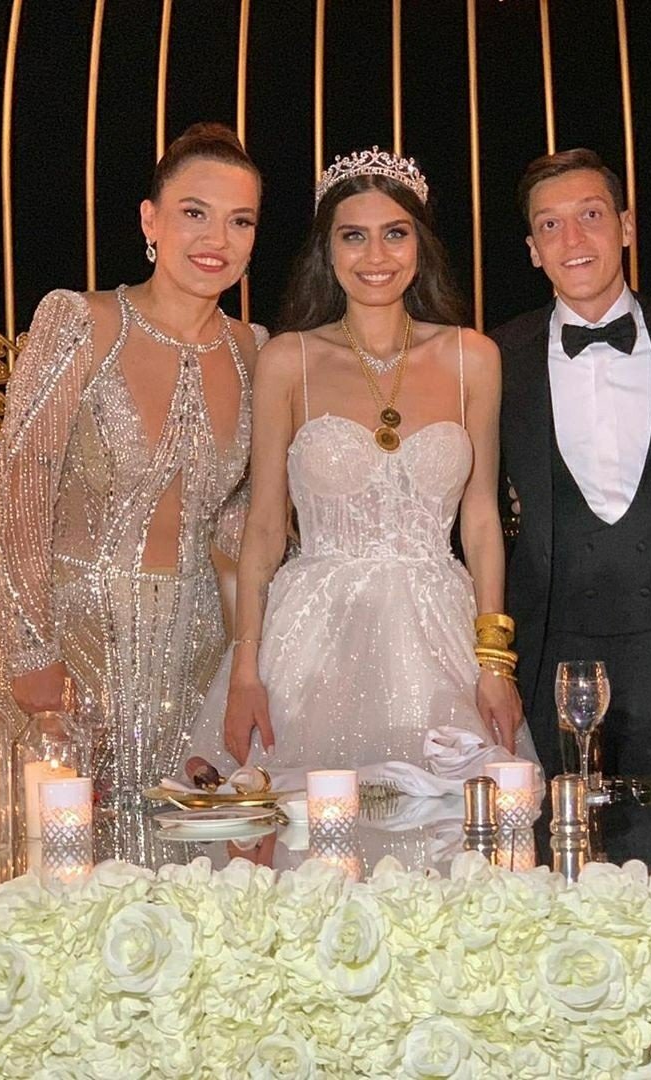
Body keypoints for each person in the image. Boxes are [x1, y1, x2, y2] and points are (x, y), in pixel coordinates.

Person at [194, 147, 535, 782]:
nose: (376, 256)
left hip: (440, 635)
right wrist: (245, 669)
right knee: (299, 821)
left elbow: (482, 522)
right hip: (310, 638)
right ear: (327, 251)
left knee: (454, 818)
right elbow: (264, 528)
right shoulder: (289, 360)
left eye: (395, 234)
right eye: (353, 236)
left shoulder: (473, 358)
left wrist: (495, 663)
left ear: (420, 246)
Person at [0, 123, 266, 804]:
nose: (217, 239)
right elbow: (20, 495)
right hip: (71, 645)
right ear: (150, 220)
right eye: (194, 213)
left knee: (190, 854)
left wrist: (245, 664)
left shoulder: (255, 350)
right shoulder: (79, 322)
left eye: (240, 221)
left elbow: (243, 530)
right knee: (57, 853)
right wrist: (32, 649)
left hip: (197, 661)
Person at [492, 149, 651, 781]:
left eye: (591, 215)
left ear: (626, 226)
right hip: (549, 660)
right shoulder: (496, 357)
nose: (572, 239)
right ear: (533, 250)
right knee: (558, 841)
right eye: (550, 225)